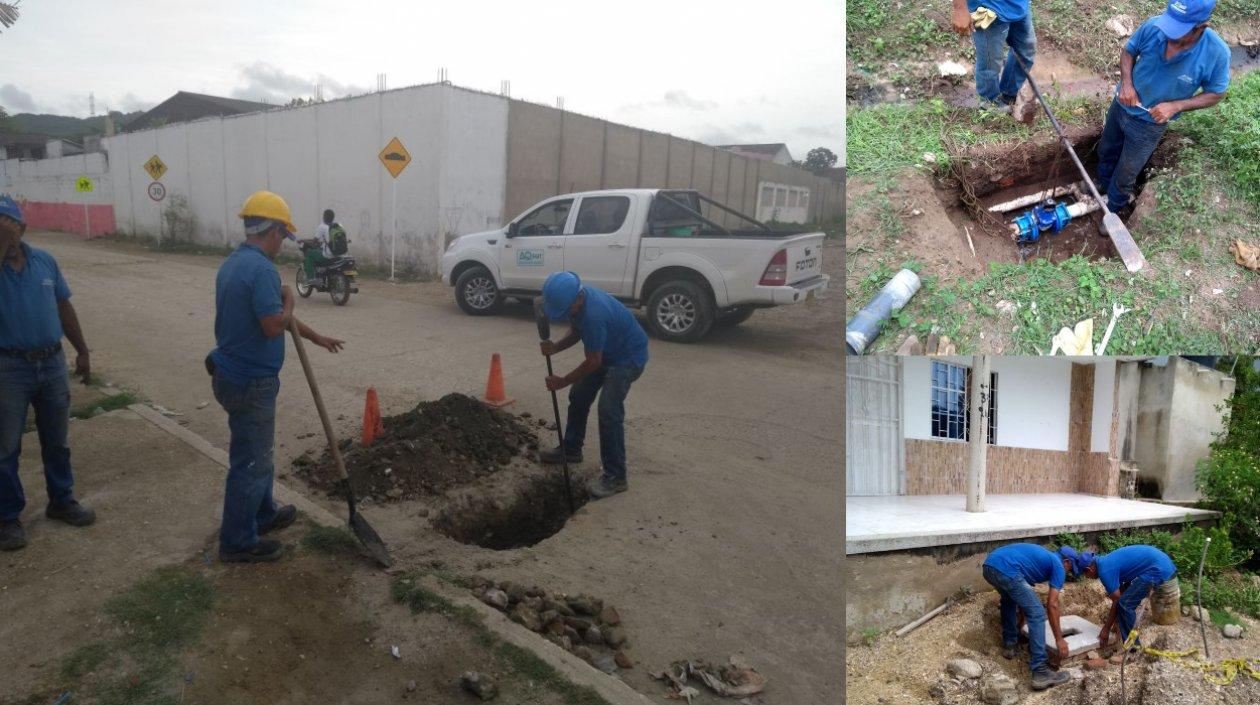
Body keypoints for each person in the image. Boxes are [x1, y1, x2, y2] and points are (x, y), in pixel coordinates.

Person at [209, 190, 344, 563]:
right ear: (273, 231)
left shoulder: (233, 264)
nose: (283, 242)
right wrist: (289, 301)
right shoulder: (262, 270)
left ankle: (263, 513)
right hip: (249, 381)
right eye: (283, 235)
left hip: (232, 374)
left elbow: (276, 318)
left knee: (259, 454)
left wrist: (317, 337)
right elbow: (273, 324)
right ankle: (237, 541)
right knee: (251, 461)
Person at [0, 195, 97, 551]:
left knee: (57, 440)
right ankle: (8, 517)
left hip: (51, 363)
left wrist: (82, 350)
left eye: (9, 226)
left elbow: (63, 306)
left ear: (22, 228)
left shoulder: (45, 261)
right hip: (8, 367)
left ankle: (62, 500)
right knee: (6, 446)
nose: (7, 234)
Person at [1100, 0, 1229, 215]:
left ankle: (1113, 208)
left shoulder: (1216, 53)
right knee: (1106, 148)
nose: (1169, 35)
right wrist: (1127, 84)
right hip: (1121, 105)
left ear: (1201, 26)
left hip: (1149, 125)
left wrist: (1176, 105)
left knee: (1127, 171)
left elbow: (1216, 93)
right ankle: (1102, 183)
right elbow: (1129, 51)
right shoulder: (1154, 26)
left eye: (1179, 29)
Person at [536, 271, 648, 499]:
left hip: (627, 359)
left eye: (566, 310)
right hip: (607, 354)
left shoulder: (594, 315)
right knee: (579, 395)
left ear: (577, 300)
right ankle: (572, 449)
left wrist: (563, 380)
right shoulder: (578, 302)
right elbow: (578, 331)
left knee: (608, 410)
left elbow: (593, 361)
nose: (565, 315)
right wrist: (556, 347)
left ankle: (616, 477)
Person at [982, 543, 1071, 690]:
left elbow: (1021, 598)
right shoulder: (1058, 565)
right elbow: (1052, 605)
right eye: (1070, 568)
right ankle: (1040, 671)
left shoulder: (1038, 560)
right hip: (1006, 569)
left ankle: (1010, 644)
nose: (1067, 572)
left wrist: (1022, 622)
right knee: (1037, 612)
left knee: (1009, 601)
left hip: (989, 566)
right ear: (1066, 562)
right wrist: (1059, 639)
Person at [1060, 544, 1178, 651]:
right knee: (1125, 599)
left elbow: (1118, 601)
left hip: (1158, 570)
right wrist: (1117, 622)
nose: (1087, 577)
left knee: (1125, 605)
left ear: (1089, 569)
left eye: (1085, 574)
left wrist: (1106, 629)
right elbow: (1122, 591)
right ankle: (1126, 635)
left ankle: (1133, 650)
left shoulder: (1105, 571)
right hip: (1162, 564)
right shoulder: (1106, 561)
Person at [951, 0, 1036, 113]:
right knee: (989, 63)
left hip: (1018, 6)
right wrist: (960, 8)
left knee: (1025, 51)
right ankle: (988, 104)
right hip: (988, 9)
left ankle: (1008, 96)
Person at [300, 209, 337, 281]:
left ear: (325, 217)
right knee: (319, 251)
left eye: (323, 216)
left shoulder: (322, 227)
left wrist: (302, 240)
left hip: (328, 255)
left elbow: (313, 242)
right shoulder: (338, 226)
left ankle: (311, 278)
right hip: (339, 254)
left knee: (309, 254)